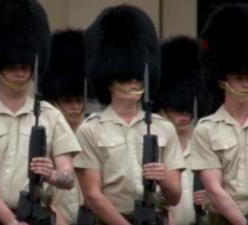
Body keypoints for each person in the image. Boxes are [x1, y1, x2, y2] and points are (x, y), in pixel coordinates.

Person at [0, 0, 82, 225]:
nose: (21, 73)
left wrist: (52, 175)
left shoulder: (51, 116)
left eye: (25, 66)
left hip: (37, 215)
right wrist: (10, 221)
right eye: (12, 67)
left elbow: (69, 177)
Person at [73, 5, 186, 225]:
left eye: (137, 76)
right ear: (110, 78)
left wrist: (162, 178)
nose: (134, 81)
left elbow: (175, 197)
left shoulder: (164, 128)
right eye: (126, 76)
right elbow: (93, 196)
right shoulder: (91, 129)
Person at [190, 4, 248, 225]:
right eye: (239, 78)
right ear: (223, 81)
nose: (245, 85)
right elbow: (214, 189)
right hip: (223, 219)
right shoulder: (206, 129)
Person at [153, 36, 211, 225]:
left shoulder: (204, 143)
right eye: (177, 109)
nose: (184, 115)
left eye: (187, 108)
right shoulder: (152, 145)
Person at [40, 29, 86, 225]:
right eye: (68, 101)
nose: (75, 107)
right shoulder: (47, 132)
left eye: (78, 100)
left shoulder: (93, 131)